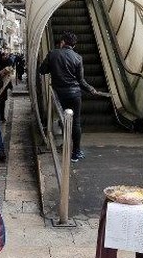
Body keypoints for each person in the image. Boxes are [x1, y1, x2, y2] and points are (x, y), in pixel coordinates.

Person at [38, 31, 98, 162]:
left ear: (63, 42)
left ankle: (65, 146)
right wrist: (91, 89)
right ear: (74, 45)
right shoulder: (78, 58)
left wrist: (53, 68)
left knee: (63, 118)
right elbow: (81, 81)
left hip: (58, 94)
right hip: (75, 94)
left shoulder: (53, 54)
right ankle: (76, 152)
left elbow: (42, 70)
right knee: (75, 121)